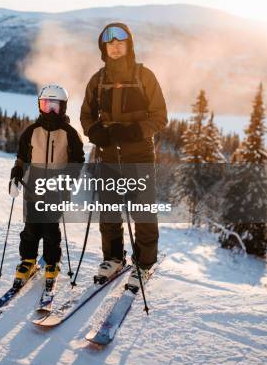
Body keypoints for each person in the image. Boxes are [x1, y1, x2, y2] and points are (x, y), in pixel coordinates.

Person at [80, 22, 167, 284]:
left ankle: (145, 262)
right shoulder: (98, 80)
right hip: (107, 154)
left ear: (129, 45)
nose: (116, 47)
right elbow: (86, 116)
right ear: (104, 48)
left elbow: (160, 117)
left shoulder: (144, 76)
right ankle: (114, 258)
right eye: (110, 43)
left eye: (121, 42)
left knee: (143, 212)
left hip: (139, 154)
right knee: (109, 211)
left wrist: (134, 131)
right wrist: (95, 133)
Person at [10, 83, 84, 283]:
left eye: (55, 106)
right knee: (31, 227)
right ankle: (28, 260)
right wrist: (16, 173)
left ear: (64, 107)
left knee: (51, 228)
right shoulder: (31, 131)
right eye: (45, 105)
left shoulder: (70, 133)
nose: (50, 111)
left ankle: (52, 262)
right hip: (32, 185)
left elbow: (78, 160)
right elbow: (21, 157)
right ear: (39, 106)